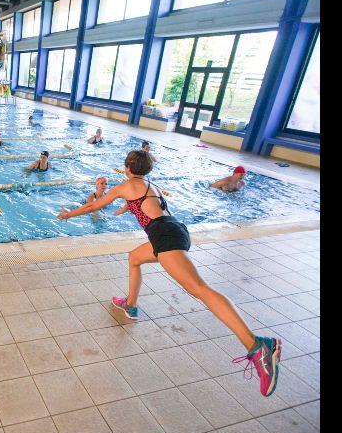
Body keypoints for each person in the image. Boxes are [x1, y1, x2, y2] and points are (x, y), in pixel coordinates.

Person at [56, 150, 281, 397]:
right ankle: (130, 305)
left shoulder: (127, 185)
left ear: (127, 167)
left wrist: (68, 214)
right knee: (134, 258)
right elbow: (140, 209)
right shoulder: (150, 185)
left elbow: (93, 205)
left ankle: (257, 345)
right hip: (174, 230)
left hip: (164, 236)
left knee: (199, 289)